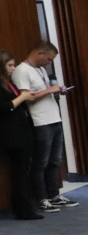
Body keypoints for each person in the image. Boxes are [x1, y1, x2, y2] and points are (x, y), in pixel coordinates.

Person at [10, 42, 72, 212]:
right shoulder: (21, 71)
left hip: (54, 117)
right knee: (41, 162)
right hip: (40, 121)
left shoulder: (41, 69)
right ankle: (41, 198)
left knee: (54, 161)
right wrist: (49, 90)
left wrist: (56, 91)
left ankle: (54, 195)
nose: (49, 63)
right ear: (39, 53)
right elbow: (26, 98)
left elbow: (43, 92)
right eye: (49, 59)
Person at [1, 50, 40, 219]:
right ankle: (24, 210)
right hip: (11, 135)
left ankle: (25, 207)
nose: (13, 68)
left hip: (22, 131)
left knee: (23, 170)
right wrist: (22, 97)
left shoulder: (8, 84)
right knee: (20, 173)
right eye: (9, 65)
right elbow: (5, 107)